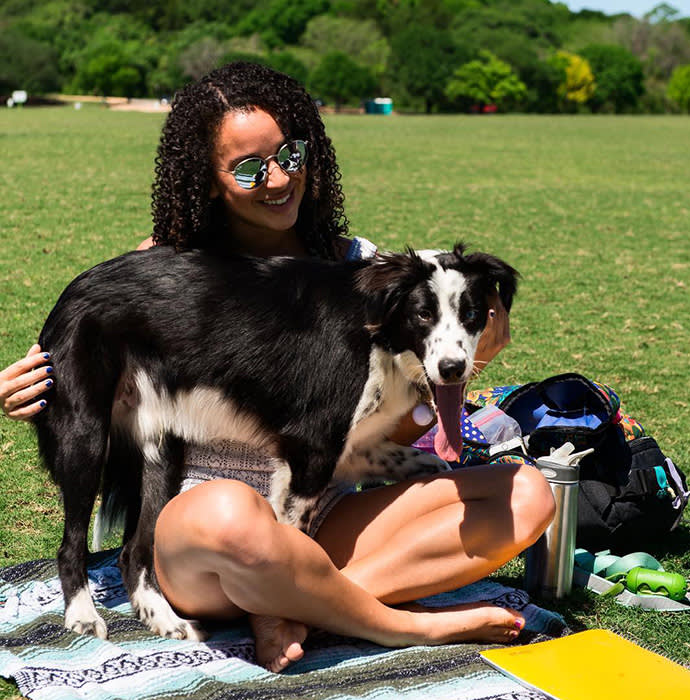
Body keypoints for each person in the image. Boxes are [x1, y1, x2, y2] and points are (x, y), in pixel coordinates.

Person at [0, 62, 555, 672]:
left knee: (526, 495)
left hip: (320, 523)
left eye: (289, 154)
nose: (278, 179)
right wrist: (24, 386)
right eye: (247, 168)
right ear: (207, 181)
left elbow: (379, 438)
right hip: (210, 540)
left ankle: (302, 608)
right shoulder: (163, 274)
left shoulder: (363, 269)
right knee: (233, 512)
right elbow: (80, 382)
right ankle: (398, 624)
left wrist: (445, 381)